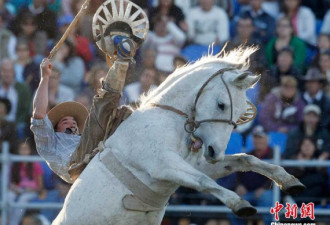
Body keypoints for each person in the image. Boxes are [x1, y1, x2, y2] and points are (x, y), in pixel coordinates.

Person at [31, 35, 138, 183]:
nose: (73, 123)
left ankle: (122, 61)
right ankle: (122, 62)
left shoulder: (83, 137)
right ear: (55, 128)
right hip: (74, 164)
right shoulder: (50, 143)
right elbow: (38, 114)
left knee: (121, 115)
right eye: (66, 121)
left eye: (74, 122)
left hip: (95, 157)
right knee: (100, 109)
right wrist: (45, 78)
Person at [231, 125, 273, 225]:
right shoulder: (247, 155)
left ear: (267, 139)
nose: (258, 140)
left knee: (266, 198)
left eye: (260, 137)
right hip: (247, 192)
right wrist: (239, 186)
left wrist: (264, 188)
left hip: (266, 192)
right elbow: (238, 174)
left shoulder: (274, 155)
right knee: (234, 204)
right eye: (255, 137)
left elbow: (280, 177)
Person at [8, 140, 44, 225]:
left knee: (23, 199)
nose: (24, 152)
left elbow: (40, 187)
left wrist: (31, 190)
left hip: (31, 192)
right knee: (8, 196)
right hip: (18, 190)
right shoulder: (15, 164)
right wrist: (14, 188)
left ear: (30, 150)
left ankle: (13, 223)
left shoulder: (36, 164)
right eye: (21, 149)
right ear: (18, 151)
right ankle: (7, 221)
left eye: (26, 149)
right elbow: (11, 183)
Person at [285, 137, 328, 205]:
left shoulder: (319, 160)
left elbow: (324, 180)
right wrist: (300, 168)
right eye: (304, 145)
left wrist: (319, 166)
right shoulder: (294, 160)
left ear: (315, 147)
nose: (307, 147)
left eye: (310, 144)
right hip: (298, 190)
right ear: (300, 147)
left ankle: (297, 204)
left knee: (318, 188)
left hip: (313, 193)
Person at [0, 58, 31, 138]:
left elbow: (26, 110)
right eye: (4, 71)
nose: (7, 74)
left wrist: (16, 123)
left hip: (16, 123)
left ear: (14, 73)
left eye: (10, 71)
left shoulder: (23, 88)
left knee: (21, 128)